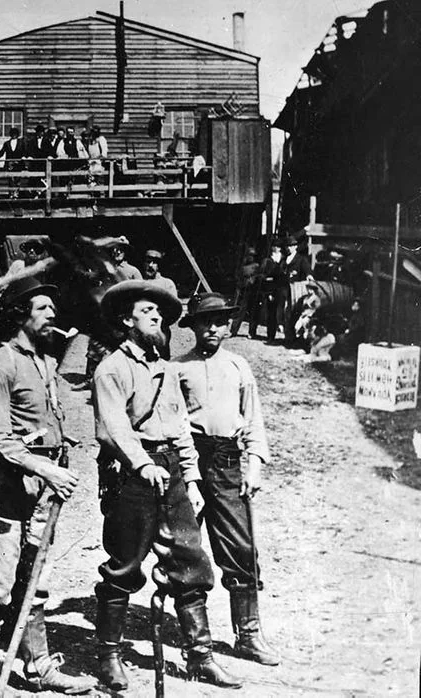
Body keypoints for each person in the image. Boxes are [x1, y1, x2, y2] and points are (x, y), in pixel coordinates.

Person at [92, 280, 241, 691]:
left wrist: (191, 477)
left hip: (171, 471)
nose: (157, 317)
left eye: (160, 312)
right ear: (126, 320)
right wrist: (141, 464)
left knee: (189, 559)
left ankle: (200, 656)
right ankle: (109, 657)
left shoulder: (166, 368)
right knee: (124, 564)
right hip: (131, 473)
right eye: (146, 311)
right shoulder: (112, 369)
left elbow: (180, 427)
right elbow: (113, 428)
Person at [0, 277, 93, 696]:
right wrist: (47, 468)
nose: (53, 315)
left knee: (36, 576)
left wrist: (60, 452)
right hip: (9, 484)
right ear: (20, 315)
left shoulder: (44, 362)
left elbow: (44, 420)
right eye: (43, 309)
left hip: (44, 487)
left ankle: (39, 666)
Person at [175, 293, 282, 667]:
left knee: (242, 545)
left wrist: (254, 465)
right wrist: (187, 475)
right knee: (184, 546)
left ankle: (249, 635)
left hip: (227, 460)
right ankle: (197, 642)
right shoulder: (177, 369)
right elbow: (172, 423)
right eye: (205, 322)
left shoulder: (238, 366)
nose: (213, 328)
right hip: (188, 456)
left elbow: (252, 420)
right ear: (193, 327)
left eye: (220, 321)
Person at [251, 242, 285, 342]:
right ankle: (267, 335)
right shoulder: (267, 261)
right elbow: (262, 275)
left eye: (279, 247)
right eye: (275, 247)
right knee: (269, 313)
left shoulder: (283, 260)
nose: (277, 249)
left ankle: (274, 334)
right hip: (269, 290)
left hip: (280, 290)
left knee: (277, 313)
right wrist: (268, 287)